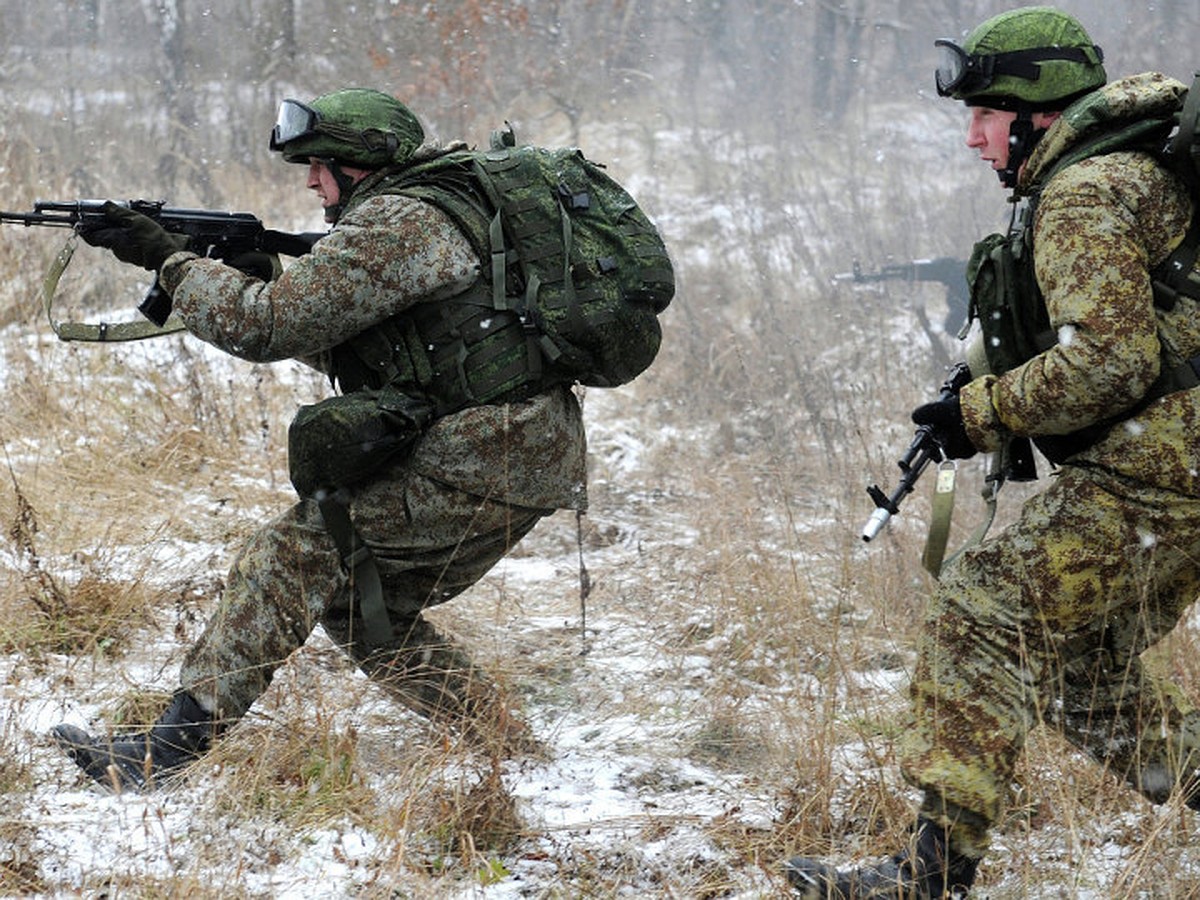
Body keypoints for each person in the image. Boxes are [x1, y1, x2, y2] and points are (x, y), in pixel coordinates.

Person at [52, 88, 589, 789]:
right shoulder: (427, 209)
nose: (310, 181)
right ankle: (503, 747)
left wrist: (174, 263)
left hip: (487, 453)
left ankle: (161, 755)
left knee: (294, 552)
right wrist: (258, 273)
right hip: (518, 452)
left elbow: (265, 329)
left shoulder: (401, 222)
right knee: (364, 602)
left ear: (358, 164)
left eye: (319, 165)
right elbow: (368, 345)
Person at [787, 7, 1200, 898]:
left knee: (981, 611)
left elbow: (1112, 360)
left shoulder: (1086, 190)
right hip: (1177, 471)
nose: (973, 137)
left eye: (986, 115)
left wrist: (979, 415)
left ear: (1040, 112)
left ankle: (928, 876)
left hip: (1159, 477)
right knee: (1079, 668)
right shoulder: (1132, 165)